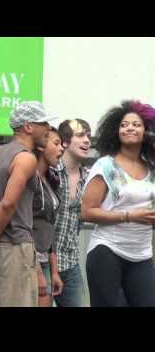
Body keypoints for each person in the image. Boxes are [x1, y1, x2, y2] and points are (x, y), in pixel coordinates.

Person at [0, 101, 55, 307]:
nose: (49, 129)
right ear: (28, 127)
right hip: (13, 248)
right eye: (44, 123)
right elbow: (8, 204)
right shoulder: (26, 158)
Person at [81, 100, 155, 306]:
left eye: (136, 124)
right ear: (115, 131)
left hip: (141, 254)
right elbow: (86, 212)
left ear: (147, 131)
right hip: (107, 251)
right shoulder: (105, 166)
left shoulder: (152, 167)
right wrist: (129, 216)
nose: (129, 128)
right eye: (124, 125)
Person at [52, 118, 91, 307]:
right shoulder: (50, 170)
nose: (87, 141)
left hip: (71, 262)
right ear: (65, 141)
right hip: (42, 260)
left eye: (89, 136)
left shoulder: (90, 178)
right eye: (80, 135)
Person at [32, 127, 64, 307]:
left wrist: (54, 271)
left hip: (45, 260)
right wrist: (37, 271)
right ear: (42, 145)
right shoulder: (29, 178)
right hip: (28, 262)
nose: (61, 149)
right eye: (56, 143)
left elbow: (49, 227)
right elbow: (22, 225)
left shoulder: (52, 180)